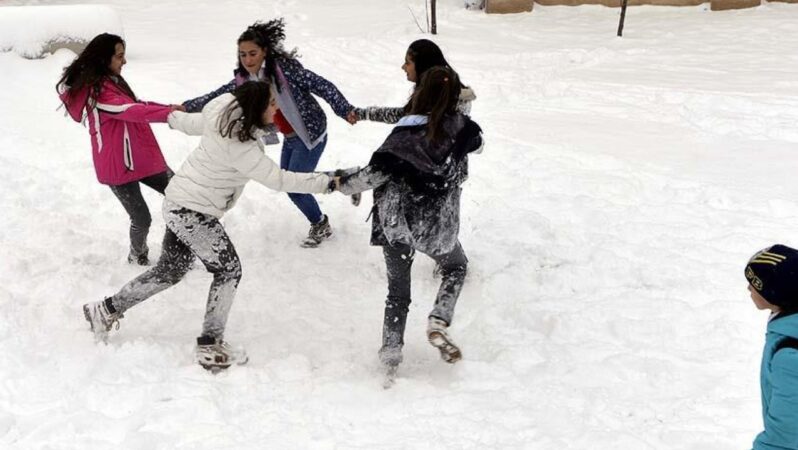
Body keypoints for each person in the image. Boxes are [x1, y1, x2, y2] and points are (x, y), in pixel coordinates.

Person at [82, 81, 338, 371]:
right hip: (193, 212)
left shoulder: (223, 110)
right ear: (255, 107)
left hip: (180, 201)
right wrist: (329, 181)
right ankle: (210, 345)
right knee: (228, 270)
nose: (276, 107)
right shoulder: (241, 147)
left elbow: (191, 122)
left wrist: (172, 115)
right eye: (271, 103)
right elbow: (280, 180)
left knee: (170, 271)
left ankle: (105, 310)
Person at [336, 67, 483, 380]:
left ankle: (390, 355)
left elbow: (371, 176)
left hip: (396, 224)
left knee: (398, 295)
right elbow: (470, 154)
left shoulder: (404, 134)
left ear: (418, 94)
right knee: (455, 267)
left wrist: (341, 183)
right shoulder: (463, 132)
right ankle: (439, 320)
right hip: (436, 226)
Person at [182, 18, 355, 248]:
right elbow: (219, 94)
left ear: (265, 51)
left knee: (293, 187)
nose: (247, 59)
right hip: (291, 138)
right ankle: (346, 177)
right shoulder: (245, 80)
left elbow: (321, 84)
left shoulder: (285, 71)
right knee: (290, 181)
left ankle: (321, 224)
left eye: (253, 53)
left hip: (309, 135)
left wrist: (344, 109)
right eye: (243, 55)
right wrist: (186, 106)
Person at [57, 33, 184, 265]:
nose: (124, 61)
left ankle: (177, 252)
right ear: (105, 59)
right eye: (119, 56)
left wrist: (170, 108)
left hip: (142, 158)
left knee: (183, 195)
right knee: (142, 218)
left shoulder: (112, 82)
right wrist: (169, 115)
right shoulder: (98, 93)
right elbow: (130, 110)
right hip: (118, 166)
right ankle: (137, 255)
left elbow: (137, 105)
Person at [347, 39, 476, 124]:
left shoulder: (439, 105)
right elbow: (405, 114)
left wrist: (364, 114)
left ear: (422, 66)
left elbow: (405, 117)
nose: (403, 67)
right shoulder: (438, 95)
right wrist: (365, 114)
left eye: (408, 63)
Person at [744, 244, 798, 450]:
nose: (748, 289)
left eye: (754, 284)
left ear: (776, 294)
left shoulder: (790, 355)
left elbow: (786, 436)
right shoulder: (790, 326)